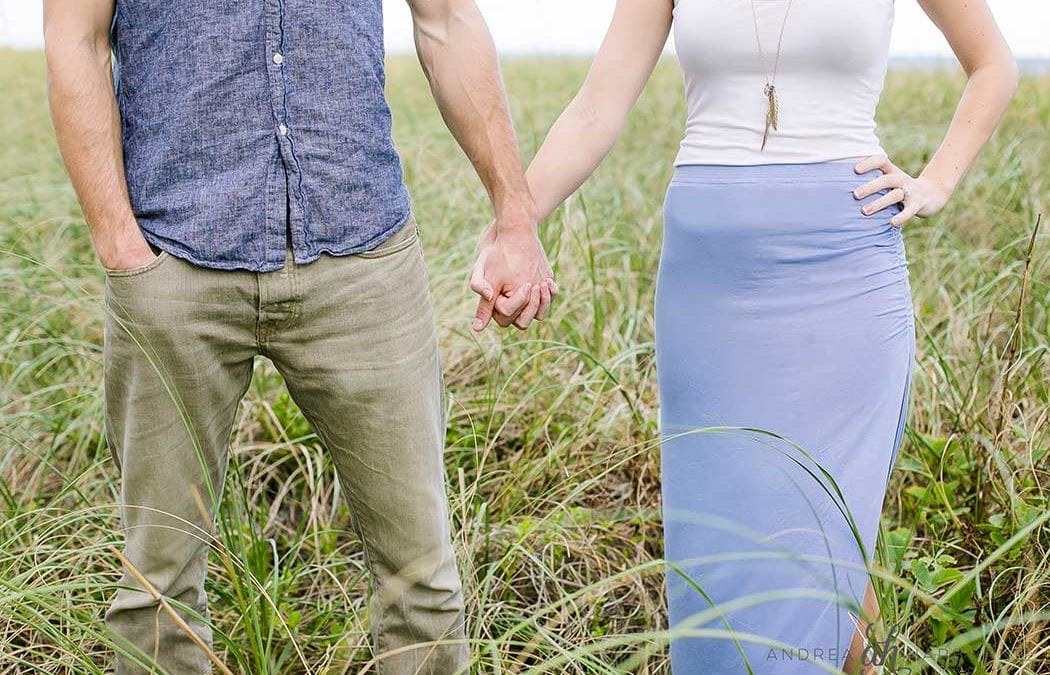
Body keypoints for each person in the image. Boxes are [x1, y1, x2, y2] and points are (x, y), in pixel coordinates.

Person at [481, 0, 1018, 671]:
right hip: (709, 286)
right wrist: (516, 227)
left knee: (828, 524)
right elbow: (597, 108)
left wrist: (937, 179)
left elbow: (993, 64)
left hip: (844, 274)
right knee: (724, 540)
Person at [43, 0, 554, 672]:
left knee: (423, 584)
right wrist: (119, 245)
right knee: (157, 591)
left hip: (363, 256)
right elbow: (75, 37)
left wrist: (514, 217)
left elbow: (447, 21)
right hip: (175, 259)